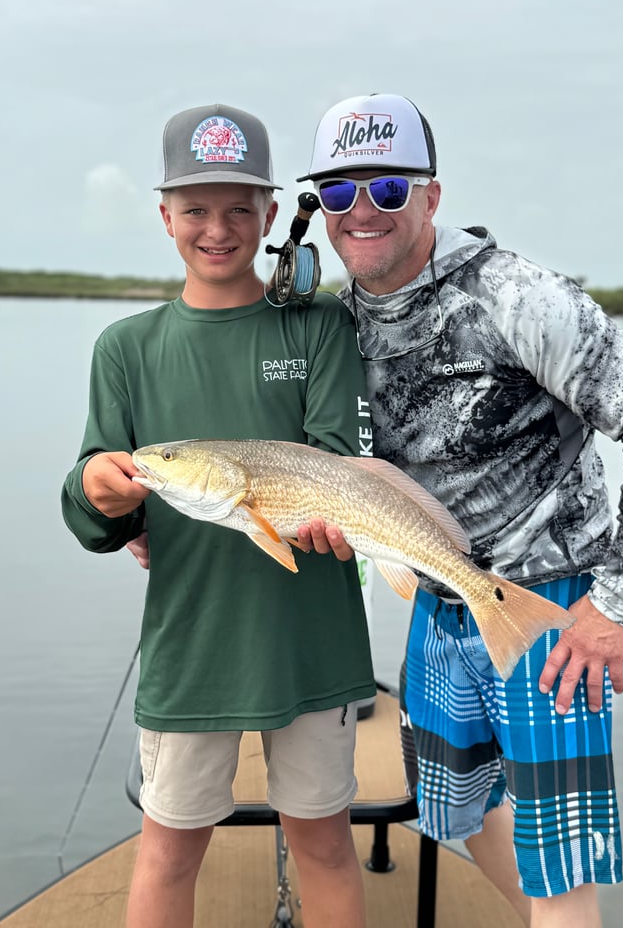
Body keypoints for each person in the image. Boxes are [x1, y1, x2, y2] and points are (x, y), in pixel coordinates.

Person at [294, 92, 623, 927]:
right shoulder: (340, 324)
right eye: (338, 194)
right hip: (438, 604)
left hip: (548, 608)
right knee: (454, 814)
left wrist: (615, 607)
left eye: (387, 190)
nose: (360, 212)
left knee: (559, 875)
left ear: (431, 196)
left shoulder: (520, 299)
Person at [61, 103, 376, 928]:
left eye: (240, 208)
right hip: (190, 642)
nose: (218, 227)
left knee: (325, 842)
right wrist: (102, 493)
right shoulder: (125, 349)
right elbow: (96, 506)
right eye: (195, 208)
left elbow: (338, 466)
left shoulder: (317, 327)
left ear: (272, 216)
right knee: (167, 852)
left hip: (313, 638)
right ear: (165, 216)